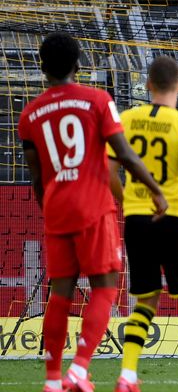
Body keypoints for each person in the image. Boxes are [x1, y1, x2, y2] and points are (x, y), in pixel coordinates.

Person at [18, 32, 168, 392]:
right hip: (93, 206)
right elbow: (126, 155)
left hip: (56, 208)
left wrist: (50, 207)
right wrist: (154, 189)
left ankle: (53, 379)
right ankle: (79, 368)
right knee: (105, 286)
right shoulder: (97, 100)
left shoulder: (29, 114)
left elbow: (37, 178)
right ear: (78, 64)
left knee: (60, 293)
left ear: (41, 67)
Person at [107, 55, 178, 392]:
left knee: (144, 301)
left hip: (138, 219)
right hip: (177, 219)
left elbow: (108, 169)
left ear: (148, 85)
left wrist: (127, 202)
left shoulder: (126, 118)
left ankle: (127, 375)